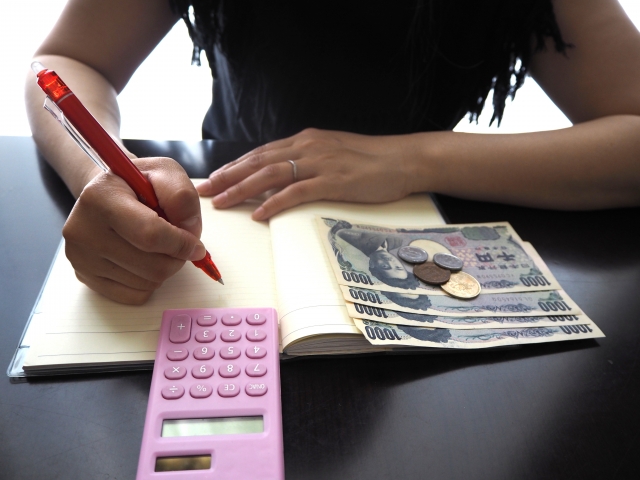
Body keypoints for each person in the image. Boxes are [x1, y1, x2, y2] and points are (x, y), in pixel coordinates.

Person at [25, 0, 640, 305]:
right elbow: (66, 60)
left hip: (414, 217)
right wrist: (102, 173)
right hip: (230, 203)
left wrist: (414, 159)